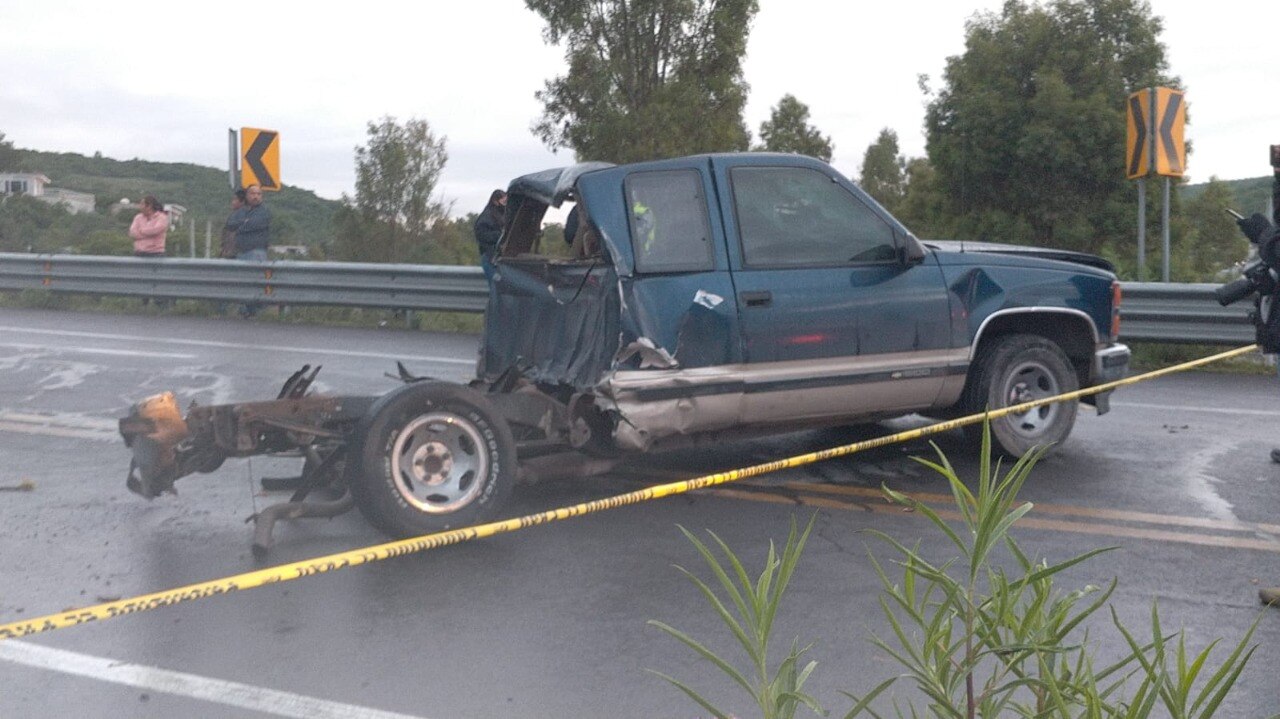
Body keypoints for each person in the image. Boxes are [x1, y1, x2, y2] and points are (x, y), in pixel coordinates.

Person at [226, 184, 272, 317]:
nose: (256, 196)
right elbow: (230, 224)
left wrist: (242, 225)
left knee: (256, 282)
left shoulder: (264, 212)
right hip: (242, 252)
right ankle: (246, 311)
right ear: (247, 196)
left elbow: (254, 224)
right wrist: (244, 222)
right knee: (243, 283)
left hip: (256, 252)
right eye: (252, 193)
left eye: (258, 194)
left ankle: (257, 311)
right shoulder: (242, 212)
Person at [129, 195, 169, 307]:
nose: (139, 206)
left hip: (156, 253)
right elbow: (132, 232)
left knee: (157, 281)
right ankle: (143, 304)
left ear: (149, 206)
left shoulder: (162, 217)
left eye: (142, 204)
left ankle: (160, 304)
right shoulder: (138, 217)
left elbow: (157, 230)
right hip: (139, 253)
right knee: (140, 280)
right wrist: (146, 233)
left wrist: (141, 232)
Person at [473, 189, 506, 281]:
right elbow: (481, 235)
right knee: (496, 283)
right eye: (504, 201)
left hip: (498, 258)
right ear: (496, 201)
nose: (505, 204)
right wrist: (500, 235)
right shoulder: (487, 217)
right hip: (490, 257)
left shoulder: (502, 216)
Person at [218, 189, 247, 259]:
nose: (232, 202)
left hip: (233, 253)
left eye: (235, 199)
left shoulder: (240, 214)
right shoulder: (236, 214)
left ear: (242, 201)